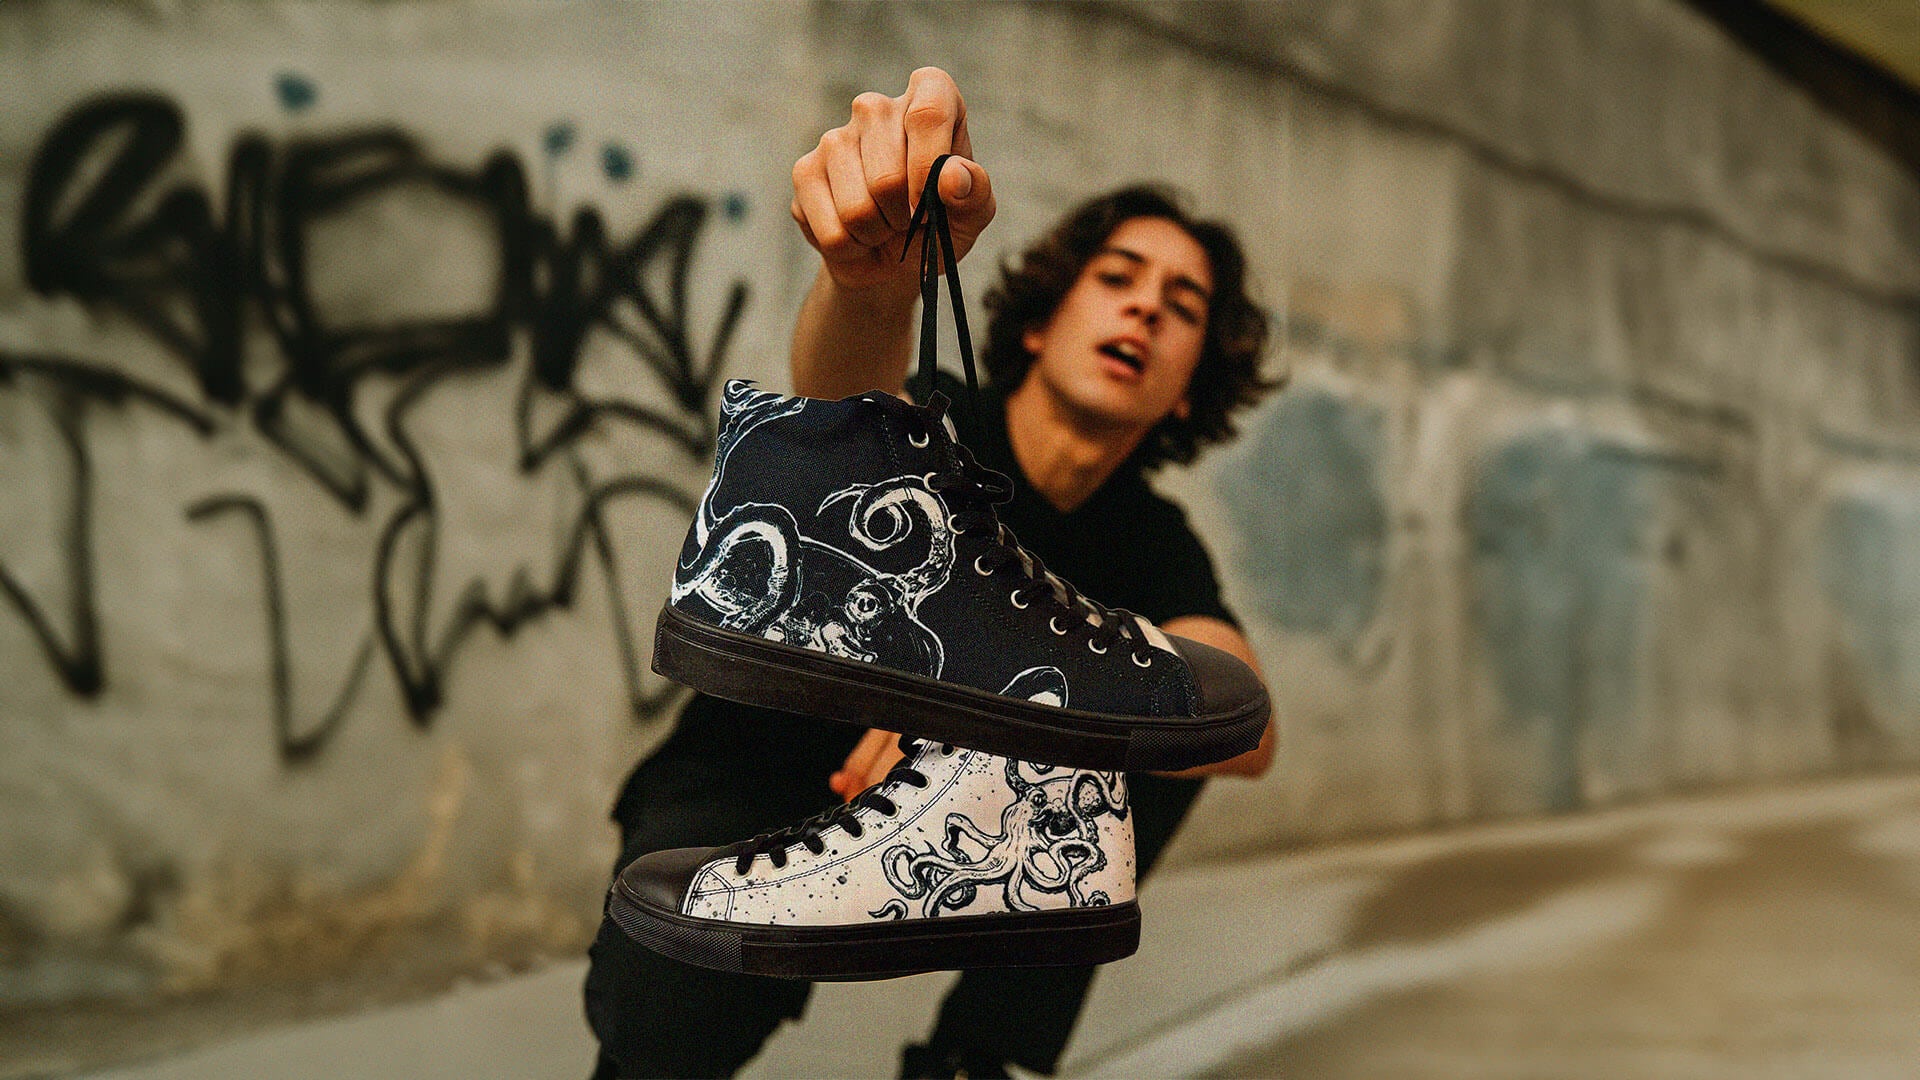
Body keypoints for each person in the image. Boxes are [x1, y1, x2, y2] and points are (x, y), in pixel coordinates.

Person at [585, 67, 1278, 1079]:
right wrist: (873, 286)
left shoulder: (1150, 537)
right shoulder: (945, 419)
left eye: (1182, 306)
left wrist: (1001, 725)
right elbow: (849, 406)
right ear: (1043, 320)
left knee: (1151, 723)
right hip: (765, 774)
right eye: (1119, 278)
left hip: (950, 830)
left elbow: (1239, 715)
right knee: (665, 1037)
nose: (1144, 312)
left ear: (1188, 386)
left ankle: (980, 1062)